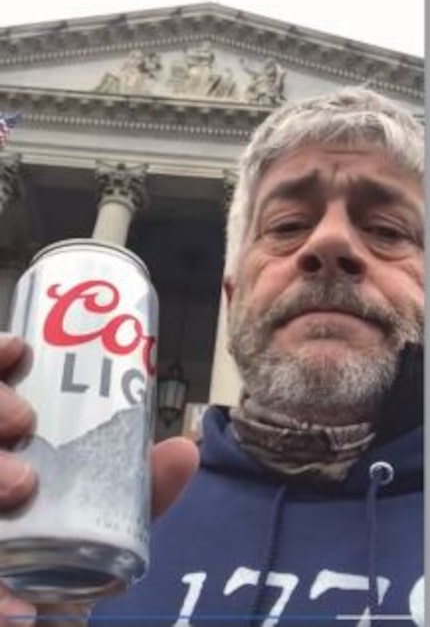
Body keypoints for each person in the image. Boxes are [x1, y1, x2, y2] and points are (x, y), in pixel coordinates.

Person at [0, 86, 423, 626]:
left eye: (387, 232)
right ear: (233, 299)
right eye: (288, 226)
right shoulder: (97, 537)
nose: (331, 242)